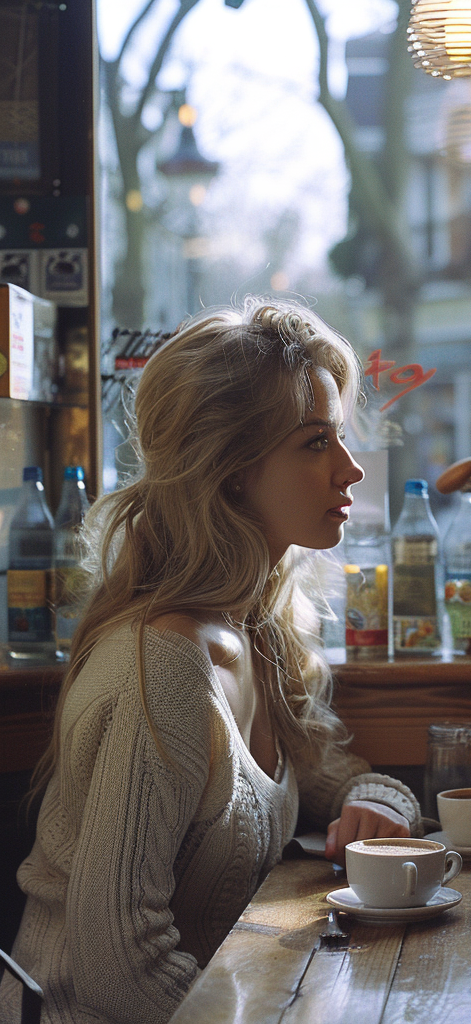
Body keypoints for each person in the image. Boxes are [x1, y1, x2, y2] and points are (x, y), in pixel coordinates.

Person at [0, 299, 421, 1024]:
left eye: (342, 439)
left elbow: (333, 778)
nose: (352, 470)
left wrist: (377, 807)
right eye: (316, 443)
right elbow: (117, 971)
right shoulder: (162, 668)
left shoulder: (253, 628)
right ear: (230, 470)